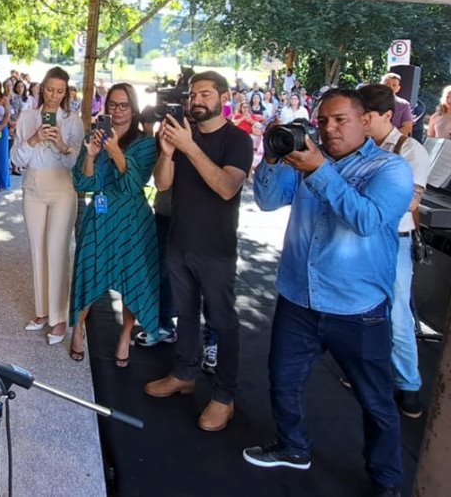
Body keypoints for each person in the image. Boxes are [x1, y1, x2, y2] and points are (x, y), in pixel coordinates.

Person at [245, 89, 412, 497]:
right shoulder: (305, 160)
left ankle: (386, 480)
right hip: (299, 299)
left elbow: (368, 220)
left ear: (365, 120)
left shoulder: (389, 168)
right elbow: (267, 201)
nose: (329, 129)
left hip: (357, 308)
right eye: (323, 121)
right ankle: (293, 446)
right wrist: (271, 156)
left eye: (340, 120)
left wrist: (320, 170)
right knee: (282, 380)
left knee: (375, 401)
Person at [144, 71, 253, 433]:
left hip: (216, 249)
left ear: (223, 96)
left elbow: (226, 187)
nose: (197, 100)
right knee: (185, 316)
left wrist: (190, 147)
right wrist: (169, 152)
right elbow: (162, 184)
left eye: (205, 93)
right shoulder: (182, 137)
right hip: (180, 243)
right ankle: (184, 374)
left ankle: (224, 397)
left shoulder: (238, 139)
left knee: (222, 322)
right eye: (193, 95)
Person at [70, 83, 158, 364]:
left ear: (133, 109)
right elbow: (84, 182)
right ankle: (78, 328)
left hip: (133, 219)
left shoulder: (145, 143)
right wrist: (93, 155)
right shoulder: (94, 136)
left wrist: (116, 150)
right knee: (88, 269)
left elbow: (134, 184)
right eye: (112, 105)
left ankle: (125, 335)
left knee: (133, 276)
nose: (117, 111)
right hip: (100, 214)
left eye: (123, 106)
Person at [360, 84, 428, 419]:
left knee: (398, 315)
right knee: (362, 310)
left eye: (365, 117)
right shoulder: (356, 146)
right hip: (361, 238)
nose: (359, 122)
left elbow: (411, 201)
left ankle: (408, 383)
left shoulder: (410, 150)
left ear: (387, 116)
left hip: (394, 239)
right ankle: (367, 371)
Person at [11, 66, 84, 346]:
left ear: (66, 93)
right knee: (38, 250)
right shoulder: (28, 116)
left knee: (58, 251)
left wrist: (62, 145)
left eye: (60, 91)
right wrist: (34, 138)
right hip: (33, 186)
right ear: (42, 89)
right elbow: (16, 158)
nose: (54, 95)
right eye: (50, 89)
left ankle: (60, 317)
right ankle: (42, 312)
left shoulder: (72, 120)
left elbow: (75, 163)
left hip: (62, 188)